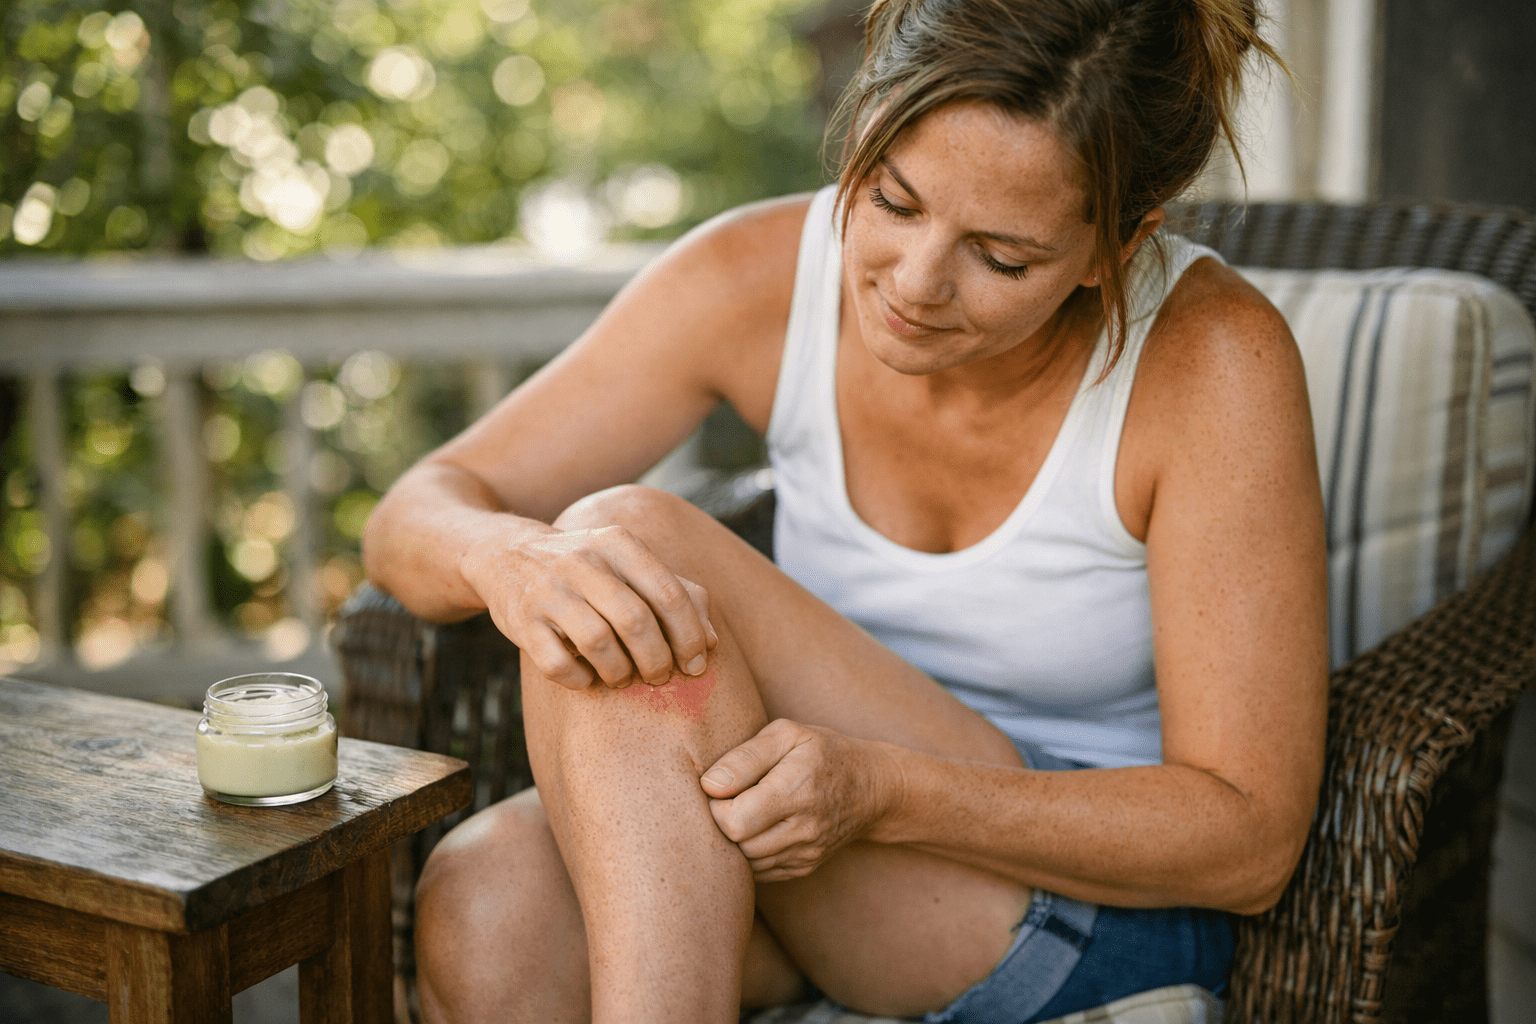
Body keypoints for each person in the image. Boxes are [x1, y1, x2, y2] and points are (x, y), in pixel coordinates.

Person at [362, 0, 1328, 1020]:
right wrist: (513, 559)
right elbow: (412, 518)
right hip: (808, 852)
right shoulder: (756, 278)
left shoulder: (1216, 360)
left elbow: (1250, 842)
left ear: (1115, 246)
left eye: (1001, 257)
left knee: (627, 534)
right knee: (485, 907)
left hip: (1085, 901)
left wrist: (884, 792)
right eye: (894, 201)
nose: (914, 284)